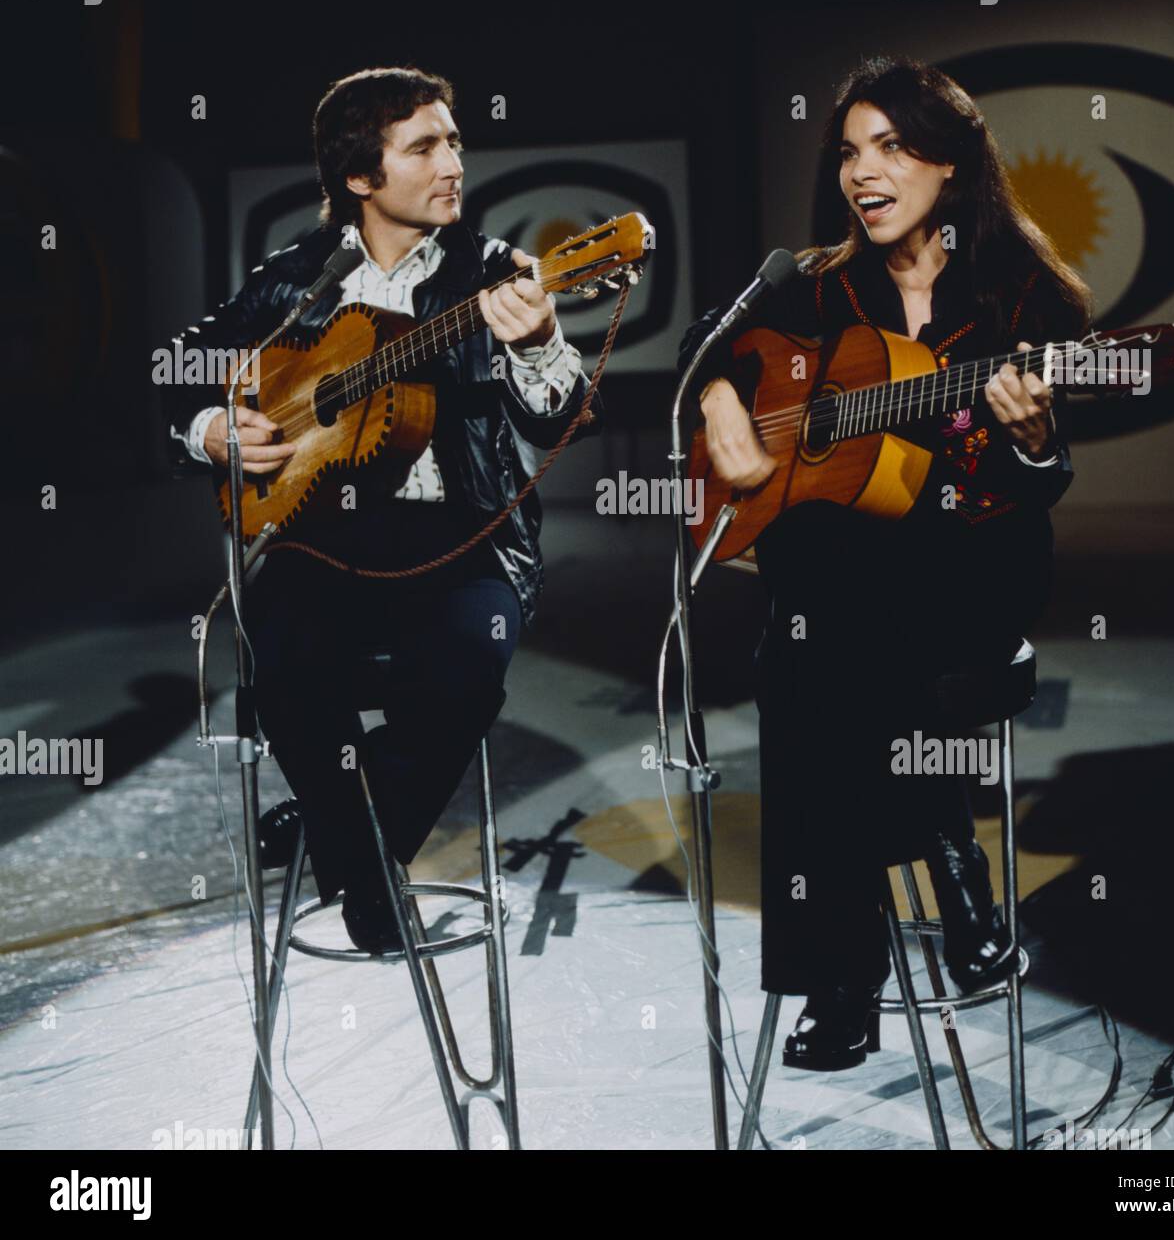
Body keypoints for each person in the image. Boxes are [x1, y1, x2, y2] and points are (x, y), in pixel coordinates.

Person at [679, 55, 1090, 1071]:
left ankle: (839, 981)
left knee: (813, 660)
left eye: (892, 147)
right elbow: (705, 345)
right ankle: (942, 860)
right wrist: (721, 401)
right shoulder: (816, 286)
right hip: (848, 597)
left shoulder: (1025, 296)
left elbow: (1043, 481)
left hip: (976, 569)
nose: (864, 170)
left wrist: (1032, 439)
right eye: (851, 151)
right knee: (821, 629)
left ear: (948, 165)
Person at [162, 66, 602, 952]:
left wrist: (544, 341)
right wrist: (213, 428)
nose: (453, 164)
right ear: (360, 178)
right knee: (280, 656)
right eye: (424, 147)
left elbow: (560, 418)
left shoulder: (495, 273)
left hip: (463, 534)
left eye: (455, 142)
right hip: (320, 530)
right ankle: (362, 854)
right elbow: (175, 364)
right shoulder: (294, 279)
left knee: (468, 669)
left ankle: (344, 843)